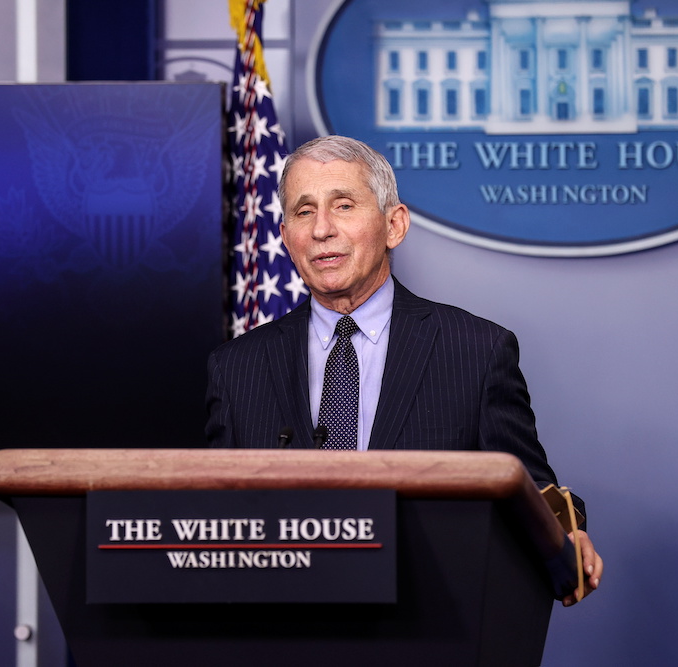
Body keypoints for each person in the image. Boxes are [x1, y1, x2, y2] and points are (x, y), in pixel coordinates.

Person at [205, 135, 602, 605]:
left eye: (344, 205)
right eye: (304, 211)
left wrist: (567, 534)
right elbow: (214, 518)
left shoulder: (475, 352)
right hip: (282, 625)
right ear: (287, 236)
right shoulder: (237, 367)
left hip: (431, 623)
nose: (322, 229)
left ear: (394, 225)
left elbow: (532, 489)